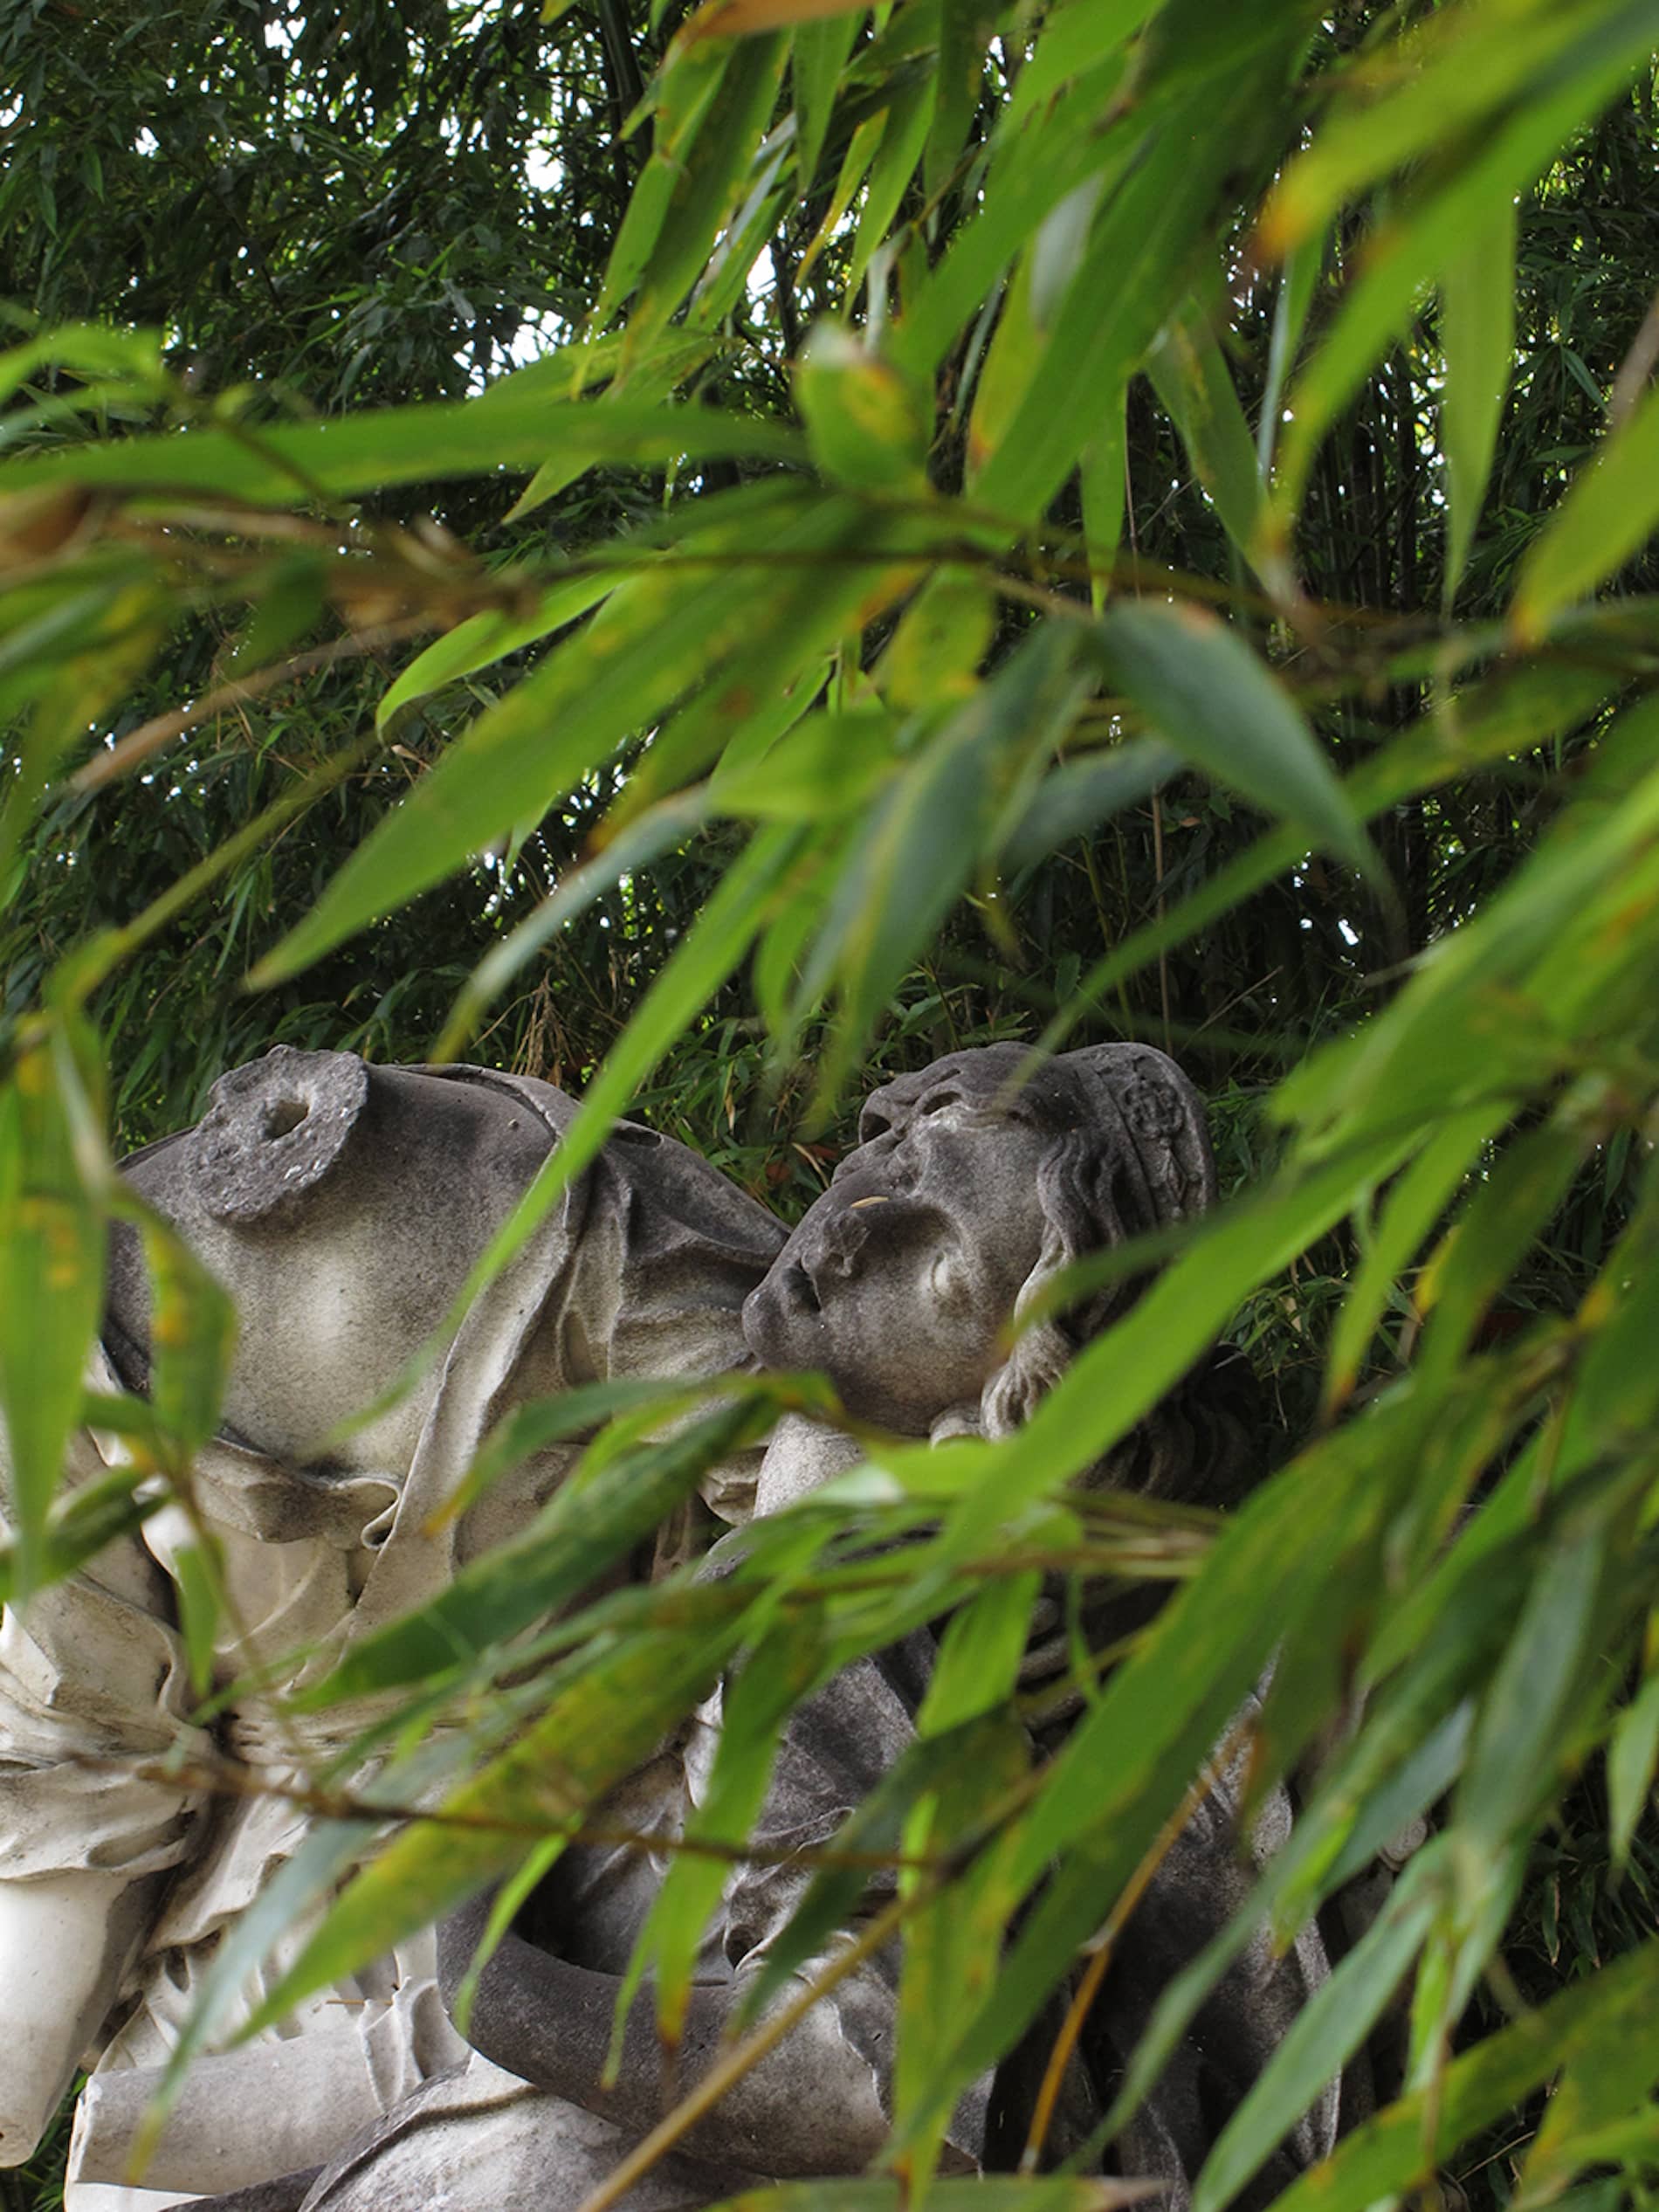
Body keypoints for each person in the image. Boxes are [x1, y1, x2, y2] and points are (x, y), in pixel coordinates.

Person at [237, 1043, 1334, 2212]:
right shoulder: (757, 1525)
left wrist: (489, 1973)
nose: (855, 1224)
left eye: (946, 1273)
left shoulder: (860, 1598)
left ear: (998, 1413)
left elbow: (871, 2076)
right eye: (893, 1152)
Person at [0, 1046, 788, 2210]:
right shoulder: (55, 1347)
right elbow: (85, 1773)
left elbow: (819, 1543)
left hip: (608, 1906)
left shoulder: (589, 1212)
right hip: (248, 2000)